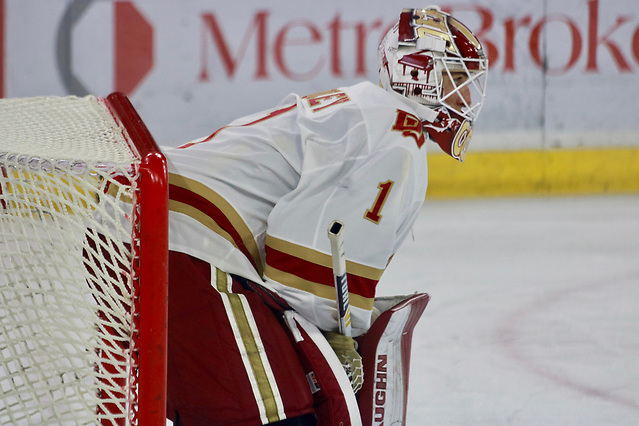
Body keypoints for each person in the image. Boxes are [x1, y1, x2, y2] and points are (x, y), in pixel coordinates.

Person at [162, 6, 488, 425]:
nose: (466, 97)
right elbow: (303, 261)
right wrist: (333, 336)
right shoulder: (395, 137)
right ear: (418, 73)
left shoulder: (377, 116)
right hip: (183, 243)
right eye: (458, 79)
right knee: (284, 414)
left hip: (167, 234)